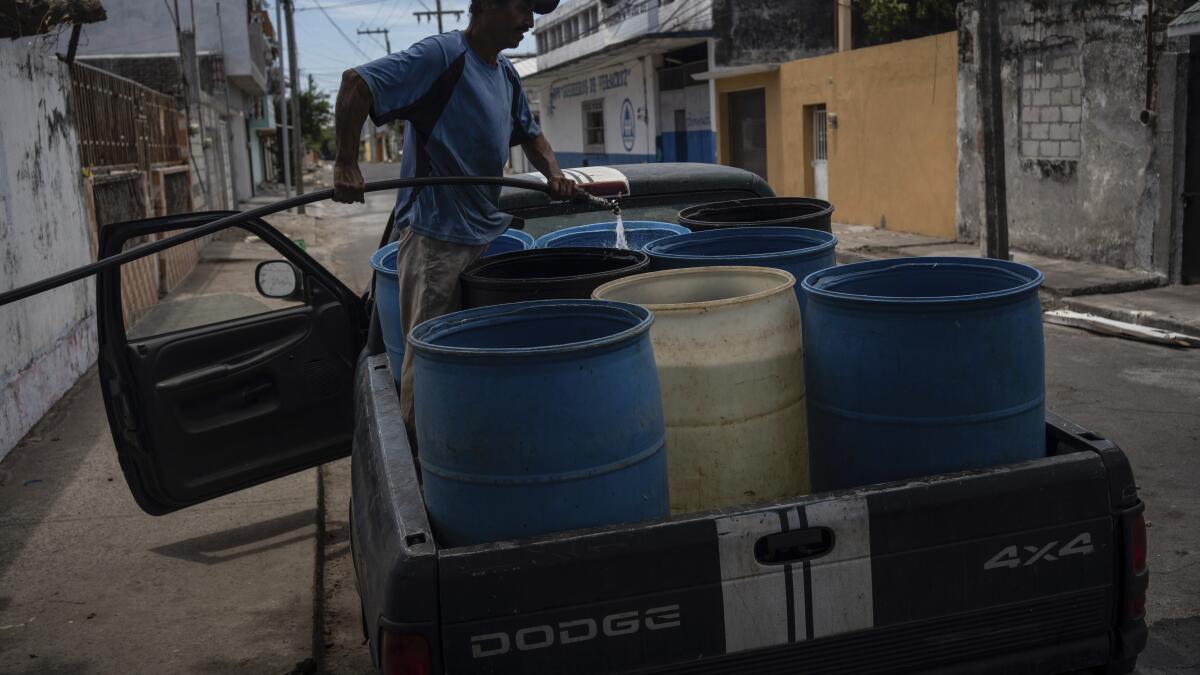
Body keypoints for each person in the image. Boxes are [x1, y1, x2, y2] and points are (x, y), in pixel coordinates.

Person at [332, 0, 574, 444]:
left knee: (470, 360)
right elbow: (356, 83)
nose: (530, 22)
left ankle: (464, 447)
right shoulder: (442, 56)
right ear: (485, 7)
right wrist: (346, 164)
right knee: (429, 366)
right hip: (436, 243)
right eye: (523, 8)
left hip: (484, 238)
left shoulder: (503, 74)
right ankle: (423, 467)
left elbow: (531, 134)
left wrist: (555, 174)